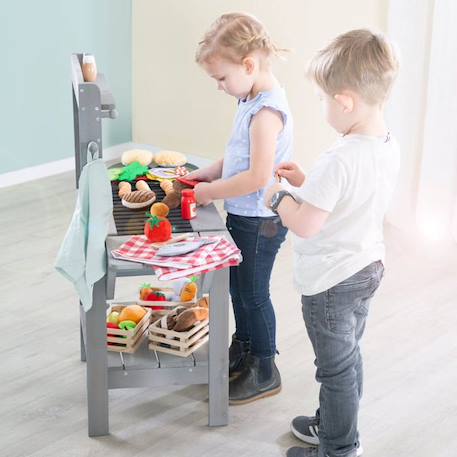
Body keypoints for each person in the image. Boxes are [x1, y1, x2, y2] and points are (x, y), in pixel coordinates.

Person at [264, 29, 400, 456]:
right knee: (349, 358)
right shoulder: (384, 144)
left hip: (331, 283)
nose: (323, 106)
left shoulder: (340, 157)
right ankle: (331, 427)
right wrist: (308, 183)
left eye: (324, 99)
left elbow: (305, 224)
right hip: (367, 267)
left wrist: (279, 198)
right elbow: (351, 198)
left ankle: (339, 448)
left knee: (335, 370)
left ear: (345, 101)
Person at [187, 12, 293, 404]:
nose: (219, 86)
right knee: (237, 288)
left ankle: (264, 367)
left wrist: (210, 192)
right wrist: (207, 174)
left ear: (248, 65)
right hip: (245, 217)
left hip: (260, 221)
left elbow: (256, 178)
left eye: (221, 78)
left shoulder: (267, 113)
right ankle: (245, 350)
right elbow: (236, 158)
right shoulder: (249, 98)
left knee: (253, 293)